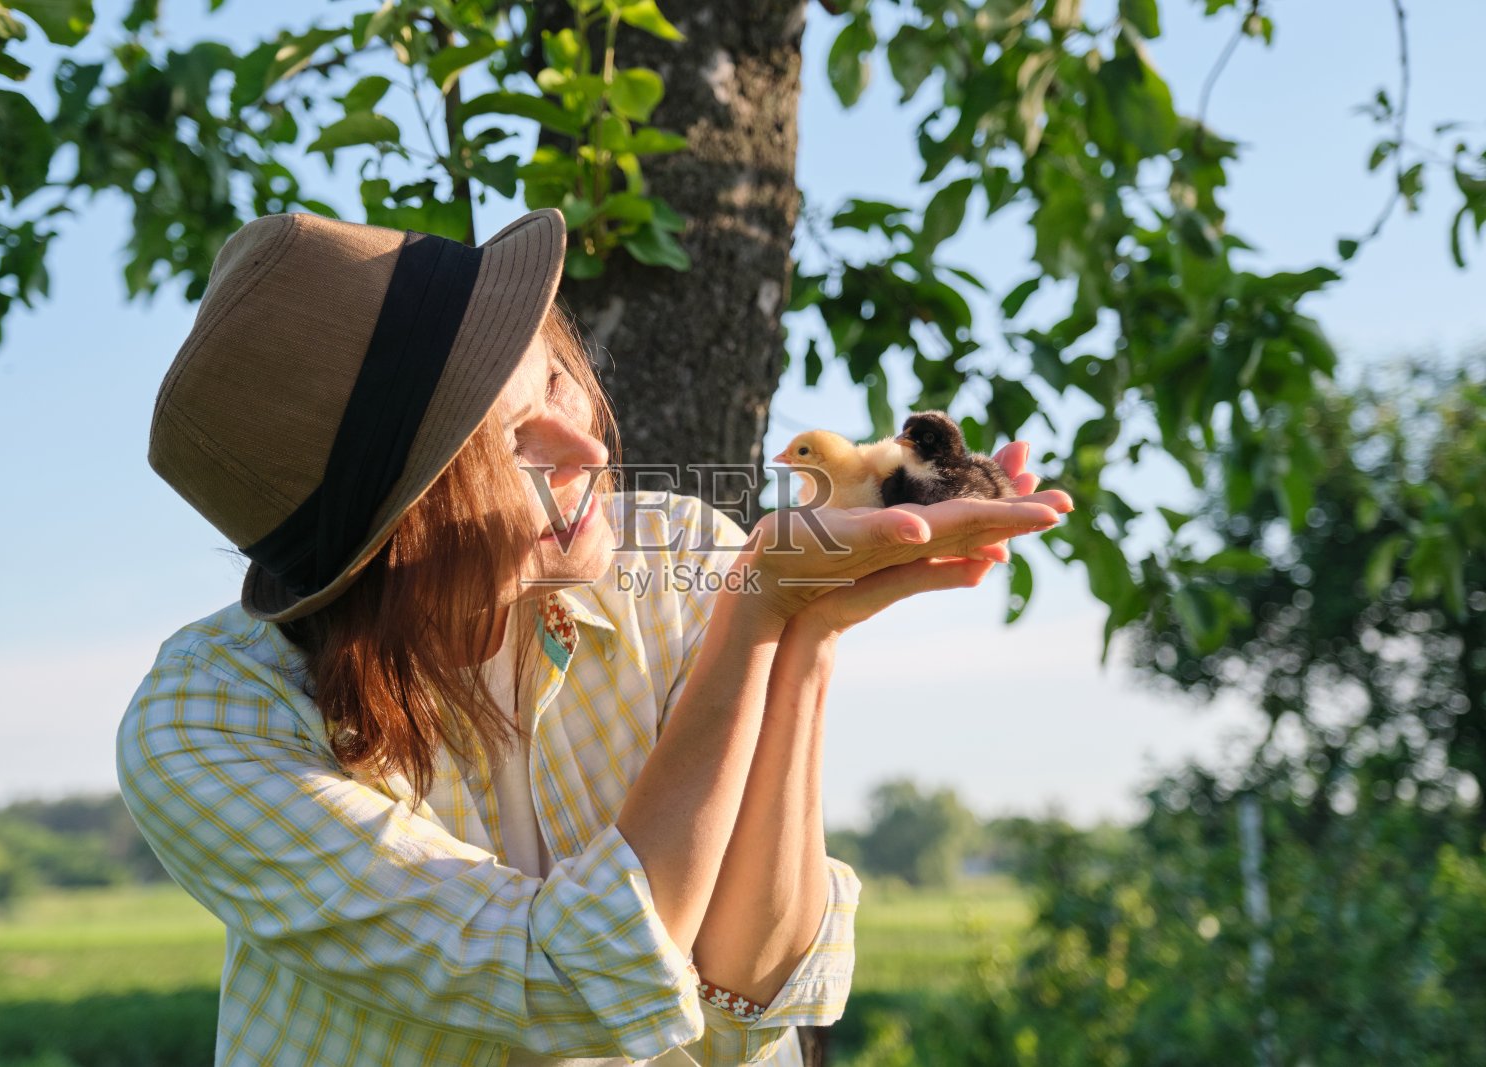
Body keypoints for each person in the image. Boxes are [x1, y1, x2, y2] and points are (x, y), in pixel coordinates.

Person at [117, 207, 1071, 1067]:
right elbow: (575, 986)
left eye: (560, 383)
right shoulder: (212, 726)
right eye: (508, 448)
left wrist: (805, 628)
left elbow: (749, 1001)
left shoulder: (688, 553)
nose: (591, 449)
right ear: (392, 536)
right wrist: (760, 615)